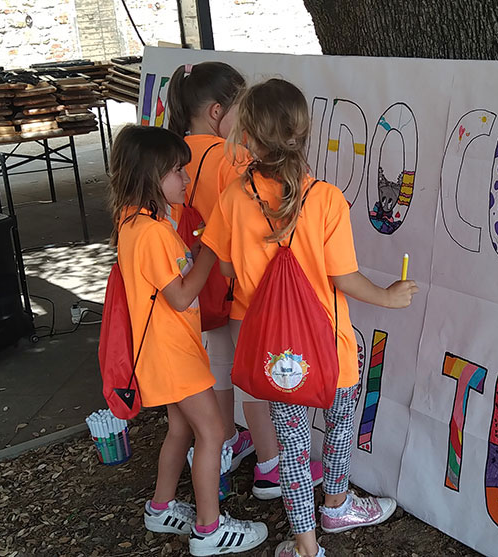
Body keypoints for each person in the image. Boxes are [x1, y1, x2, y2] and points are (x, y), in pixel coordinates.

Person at [204, 79, 419, 557]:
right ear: (302, 133)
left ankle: (305, 546)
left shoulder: (234, 198)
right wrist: (388, 297)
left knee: (293, 448)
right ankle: (337, 505)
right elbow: (344, 277)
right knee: (340, 425)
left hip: (276, 356)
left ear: (248, 137)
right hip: (332, 347)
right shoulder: (325, 199)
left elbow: (227, 270)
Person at [166, 61, 324, 499]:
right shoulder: (228, 157)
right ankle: (271, 467)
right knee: (254, 372)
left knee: (220, 367)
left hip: (191, 277)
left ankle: (224, 445)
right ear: (218, 112)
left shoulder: (173, 153)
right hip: (234, 283)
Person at [107, 124, 267, 555]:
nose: (186, 178)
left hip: (164, 353)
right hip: (174, 355)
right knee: (212, 433)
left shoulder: (134, 222)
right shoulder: (153, 233)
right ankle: (209, 530)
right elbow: (179, 296)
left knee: (180, 429)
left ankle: (160, 508)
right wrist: (210, 250)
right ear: (150, 175)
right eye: (177, 170)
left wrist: (194, 253)